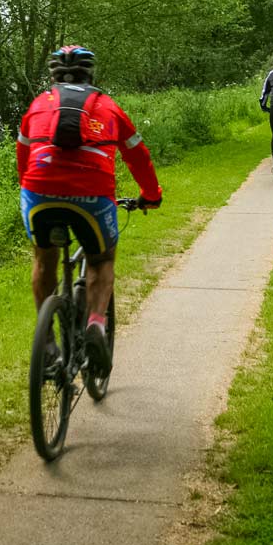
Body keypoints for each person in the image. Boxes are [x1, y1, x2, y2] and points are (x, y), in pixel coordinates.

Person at [16, 45, 162, 376]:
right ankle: (96, 325)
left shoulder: (38, 105)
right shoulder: (108, 106)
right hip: (92, 194)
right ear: (89, 75)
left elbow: (23, 158)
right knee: (102, 259)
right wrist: (150, 195)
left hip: (39, 192)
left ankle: (48, 343)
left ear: (53, 76)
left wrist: (34, 189)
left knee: (43, 258)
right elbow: (138, 155)